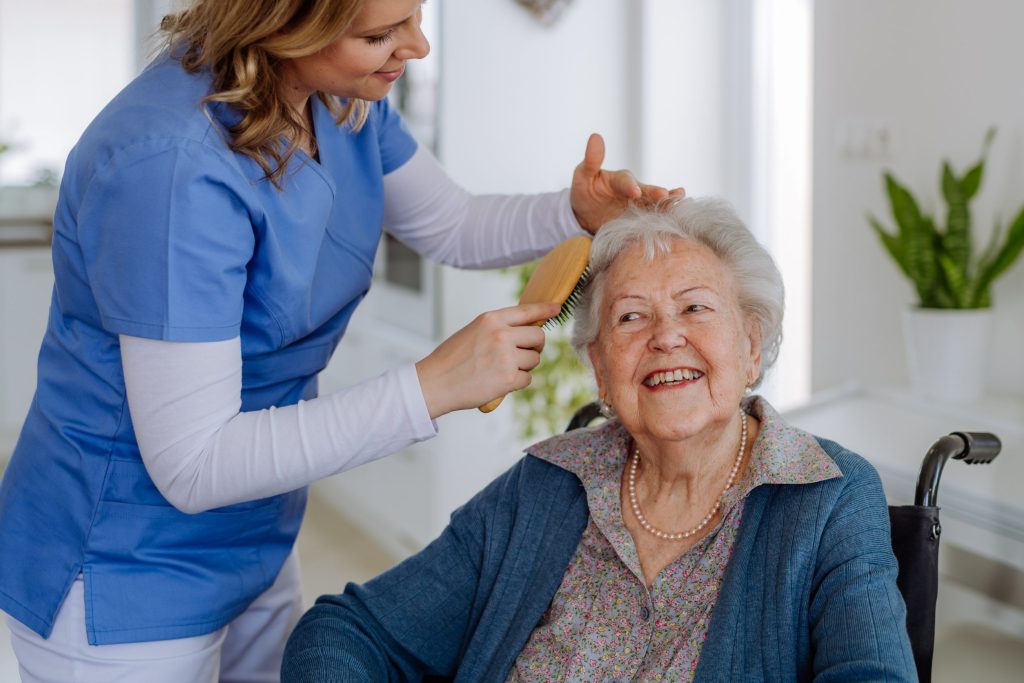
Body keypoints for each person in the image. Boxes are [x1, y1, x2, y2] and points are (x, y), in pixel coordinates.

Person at [0, 0, 682, 680]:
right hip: (121, 568)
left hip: (254, 532)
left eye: (416, 15)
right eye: (380, 34)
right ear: (282, 23)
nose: (416, 47)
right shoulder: (171, 165)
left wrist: (574, 211)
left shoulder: (338, 99)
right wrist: (432, 385)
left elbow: (454, 223)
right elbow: (193, 461)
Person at [281, 197, 917, 682]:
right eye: (631, 316)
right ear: (601, 371)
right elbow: (350, 630)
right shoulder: (546, 484)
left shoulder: (828, 494)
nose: (666, 336)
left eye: (696, 308)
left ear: (751, 348)